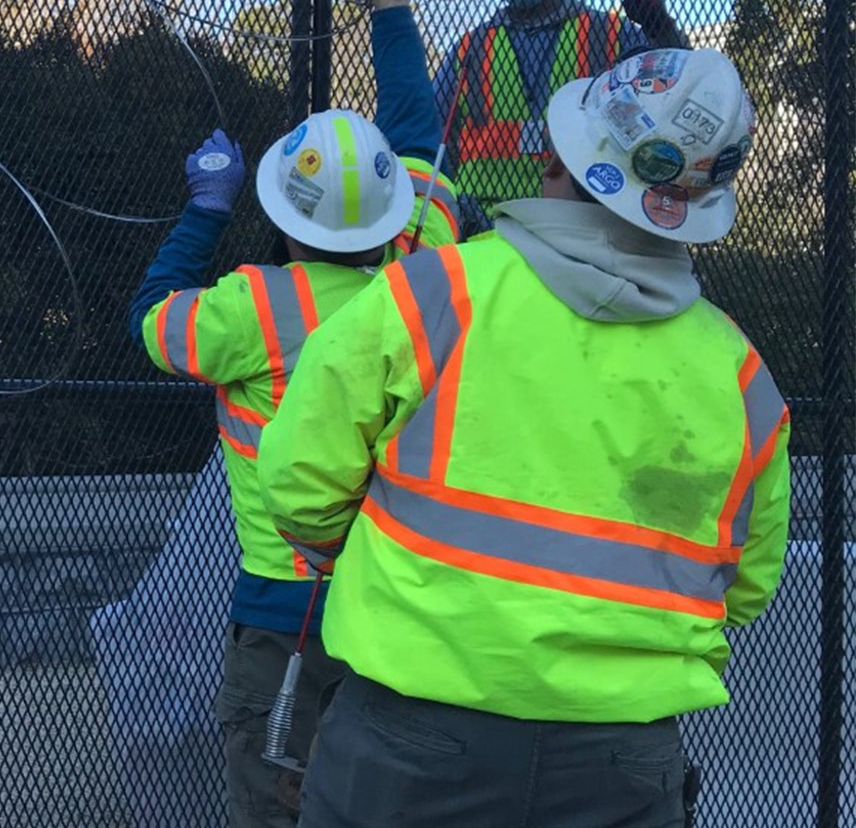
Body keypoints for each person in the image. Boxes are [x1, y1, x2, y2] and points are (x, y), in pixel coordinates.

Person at [258, 46, 789, 827]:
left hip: (411, 743)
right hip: (623, 769)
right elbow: (744, 589)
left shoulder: (436, 290)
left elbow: (301, 480)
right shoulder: (742, 379)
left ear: (561, 162)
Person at [118, 0, 462, 828]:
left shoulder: (252, 308)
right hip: (400, 601)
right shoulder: (425, 270)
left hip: (287, 604)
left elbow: (154, 322)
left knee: (275, 796)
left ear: (281, 203)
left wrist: (203, 208)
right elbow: (417, 130)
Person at [436, 0, 687, 218]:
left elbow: (683, 87)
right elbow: (435, 131)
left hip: (585, 217)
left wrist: (659, 29)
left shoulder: (605, 33)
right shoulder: (471, 48)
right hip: (486, 221)